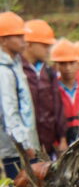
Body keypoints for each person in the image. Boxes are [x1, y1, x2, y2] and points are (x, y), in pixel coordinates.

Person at [0, 11, 47, 183]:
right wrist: (25, 146)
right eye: (17, 36)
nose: (23, 40)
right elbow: (9, 112)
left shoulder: (15, 63)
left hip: (25, 146)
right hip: (16, 150)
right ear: (3, 40)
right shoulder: (3, 70)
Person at [20, 19, 66, 159]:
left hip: (48, 146)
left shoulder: (48, 72)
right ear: (29, 44)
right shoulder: (17, 71)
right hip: (24, 147)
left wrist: (62, 137)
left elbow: (57, 107)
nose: (48, 50)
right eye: (45, 45)